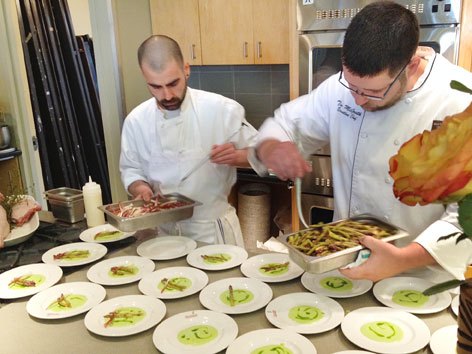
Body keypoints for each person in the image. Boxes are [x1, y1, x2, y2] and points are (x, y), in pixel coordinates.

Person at [252, 1, 472, 281]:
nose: (357, 100)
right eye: (351, 86)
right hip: (343, 261)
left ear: (412, 65)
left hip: (421, 275)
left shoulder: (462, 101)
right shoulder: (342, 89)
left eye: (373, 91)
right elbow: (286, 122)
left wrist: (404, 258)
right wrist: (274, 146)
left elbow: (466, 217)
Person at [120, 35, 258, 246]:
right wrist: (141, 189)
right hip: (163, 233)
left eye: (173, 83)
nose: (167, 96)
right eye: (156, 87)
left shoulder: (222, 110)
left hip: (213, 231)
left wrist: (239, 156)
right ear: (144, 76)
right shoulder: (136, 121)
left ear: (186, 69)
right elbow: (131, 170)